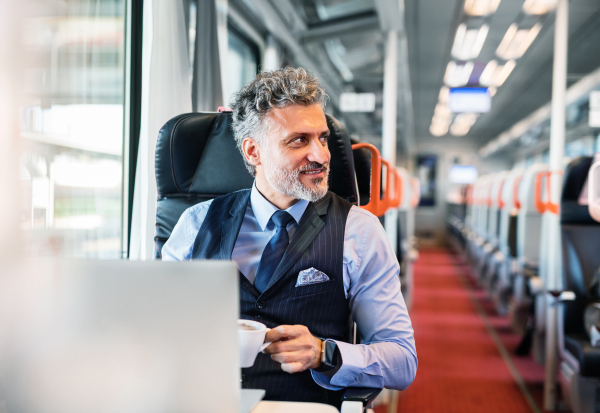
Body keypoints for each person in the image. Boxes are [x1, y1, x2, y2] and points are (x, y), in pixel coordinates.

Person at [162, 67, 417, 405]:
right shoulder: (195, 225)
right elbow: (159, 329)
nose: (321, 156)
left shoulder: (359, 231)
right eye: (299, 140)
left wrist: (325, 354)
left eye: (323, 138)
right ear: (254, 152)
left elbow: (403, 361)